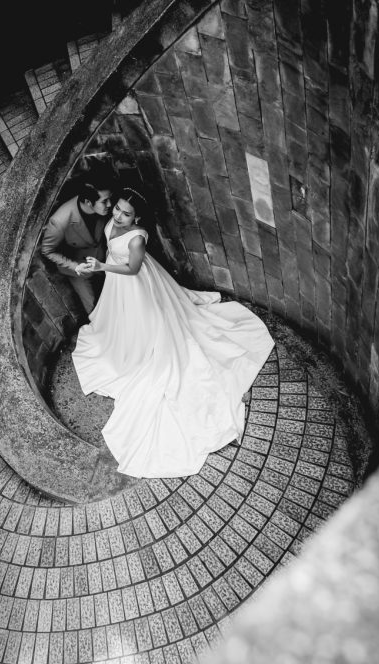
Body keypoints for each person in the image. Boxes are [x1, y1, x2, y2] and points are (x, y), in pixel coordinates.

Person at [72, 187, 275, 478]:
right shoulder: (111, 223)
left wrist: (102, 266)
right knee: (119, 325)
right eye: (116, 208)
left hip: (134, 282)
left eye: (126, 213)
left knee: (152, 325)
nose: (117, 215)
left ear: (137, 217)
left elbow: (131, 269)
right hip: (117, 285)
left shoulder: (137, 238)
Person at [40, 176, 113, 315]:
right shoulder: (59, 220)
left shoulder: (100, 209)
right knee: (94, 309)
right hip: (79, 267)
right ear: (88, 202)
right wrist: (75, 267)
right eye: (104, 201)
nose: (110, 204)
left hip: (101, 258)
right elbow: (47, 250)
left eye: (109, 199)